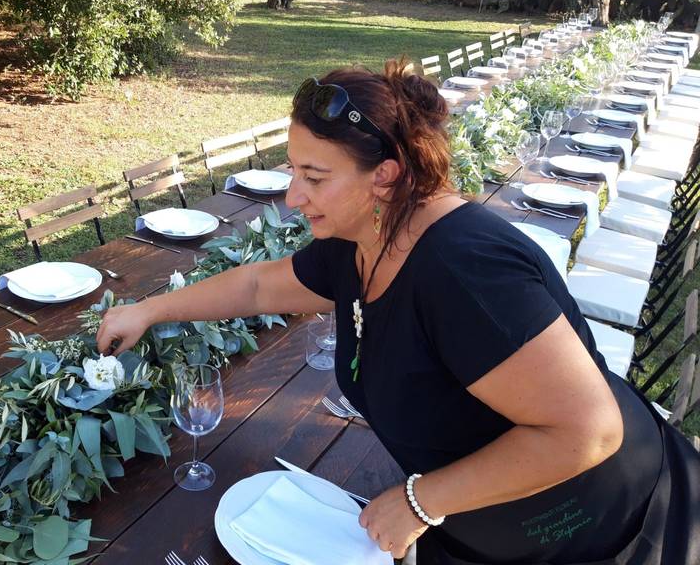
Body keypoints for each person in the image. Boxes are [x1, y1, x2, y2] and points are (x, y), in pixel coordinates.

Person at [97, 62, 700, 565]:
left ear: (384, 176)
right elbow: (258, 287)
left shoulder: (464, 273)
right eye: (292, 171)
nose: (292, 196)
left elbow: (588, 431)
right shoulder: (363, 238)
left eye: (313, 176)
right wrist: (149, 308)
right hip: (475, 522)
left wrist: (420, 501)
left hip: (605, 531)